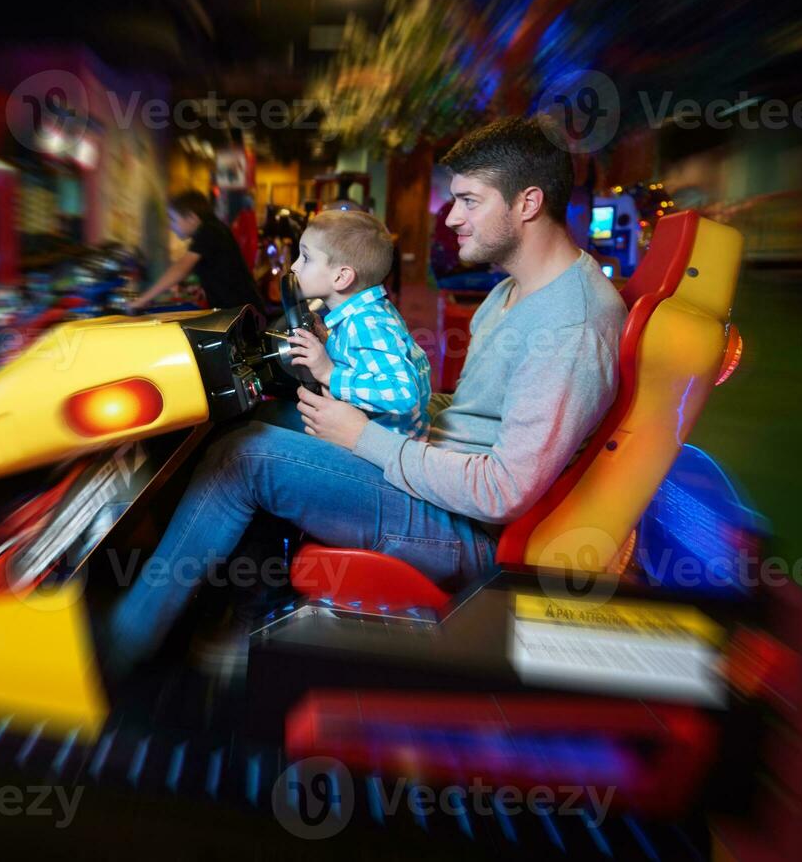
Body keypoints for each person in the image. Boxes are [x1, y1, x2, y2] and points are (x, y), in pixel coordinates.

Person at [105, 116, 627, 671]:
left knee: (243, 459)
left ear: (527, 203)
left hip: (465, 530)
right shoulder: (510, 292)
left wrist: (364, 435)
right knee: (264, 415)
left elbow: (501, 492)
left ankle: (119, 651)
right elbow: (469, 414)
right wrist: (355, 399)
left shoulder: (572, 325)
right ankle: (236, 611)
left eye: (469, 201)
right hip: (436, 478)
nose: (451, 218)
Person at [285, 210, 431, 440]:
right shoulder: (366, 311)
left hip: (385, 446)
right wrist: (326, 341)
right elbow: (360, 359)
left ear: (341, 277)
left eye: (306, 258)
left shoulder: (365, 324)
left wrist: (329, 373)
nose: (294, 266)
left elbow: (403, 393)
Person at [130, 191, 265, 313]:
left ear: (192, 218)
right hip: (242, 311)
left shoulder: (208, 232)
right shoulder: (213, 228)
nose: (171, 226)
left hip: (241, 314)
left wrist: (143, 299)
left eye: (173, 219)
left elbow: (181, 268)